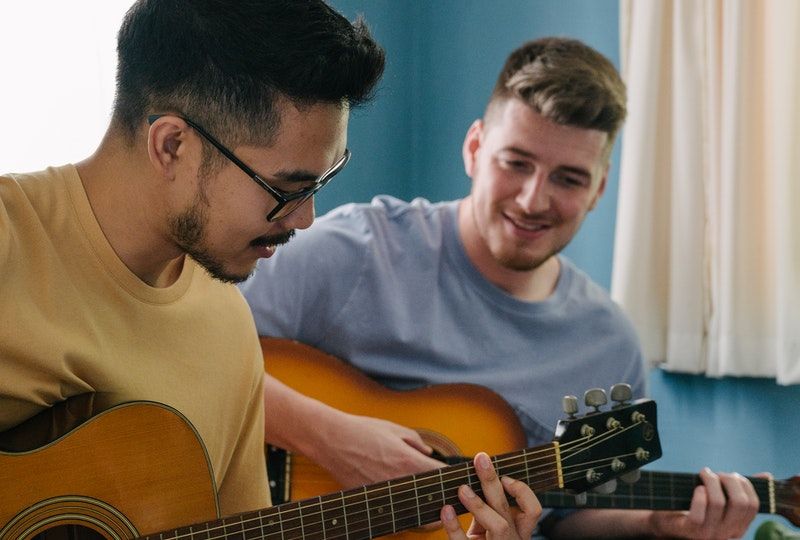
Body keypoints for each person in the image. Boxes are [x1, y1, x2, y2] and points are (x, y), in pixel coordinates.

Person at [1, 1, 539, 535]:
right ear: (172, 146)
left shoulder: (226, 329)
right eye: (286, 190)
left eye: (320, 185)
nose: (306, 220)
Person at [240, 37, 760, 538]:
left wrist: (656, 525)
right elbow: (188, 352)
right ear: (474, 149)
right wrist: (332, 439)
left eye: (569, 178)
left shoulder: (607, 344)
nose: (534, 200)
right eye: (516, 163)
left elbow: (572, 513)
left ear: (599, 189)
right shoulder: (353, 251)